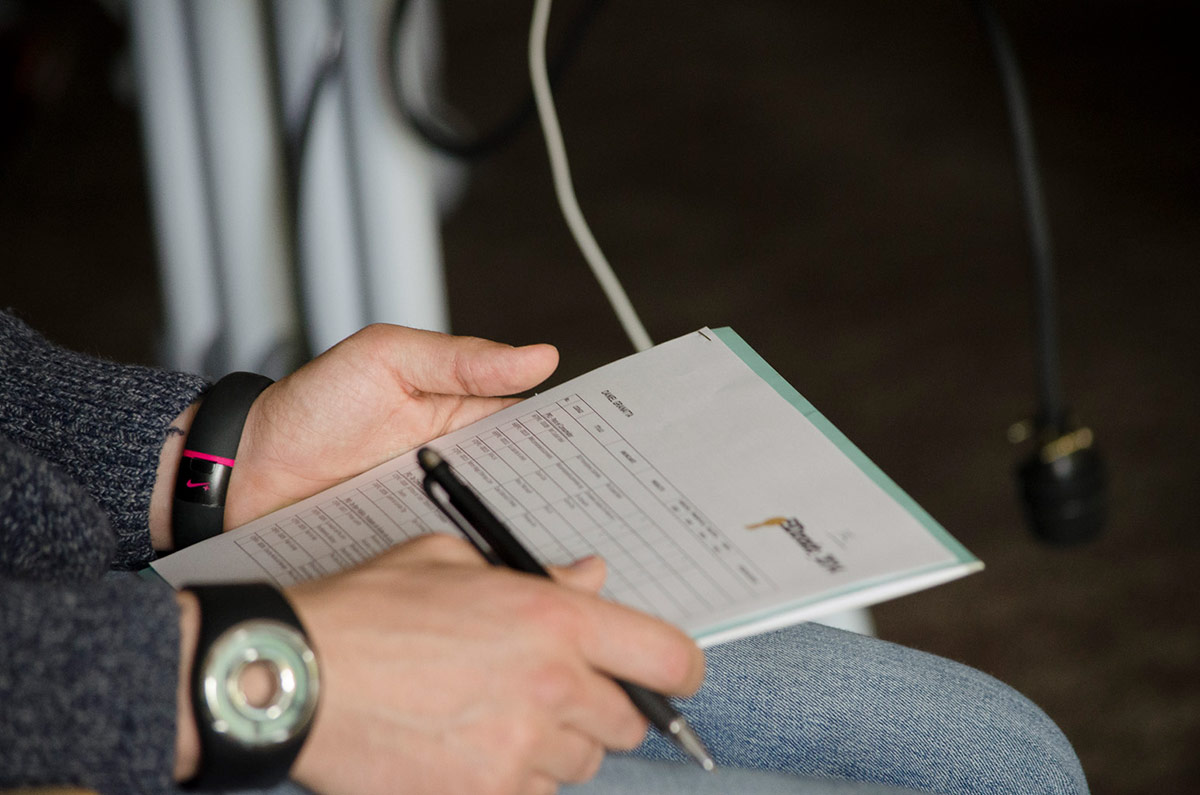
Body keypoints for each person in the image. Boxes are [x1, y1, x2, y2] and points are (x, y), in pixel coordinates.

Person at [0, 309, 1089, 794]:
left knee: (996, 757)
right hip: (85, 706)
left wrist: (202, 460)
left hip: (82, 598)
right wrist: (239, 678)